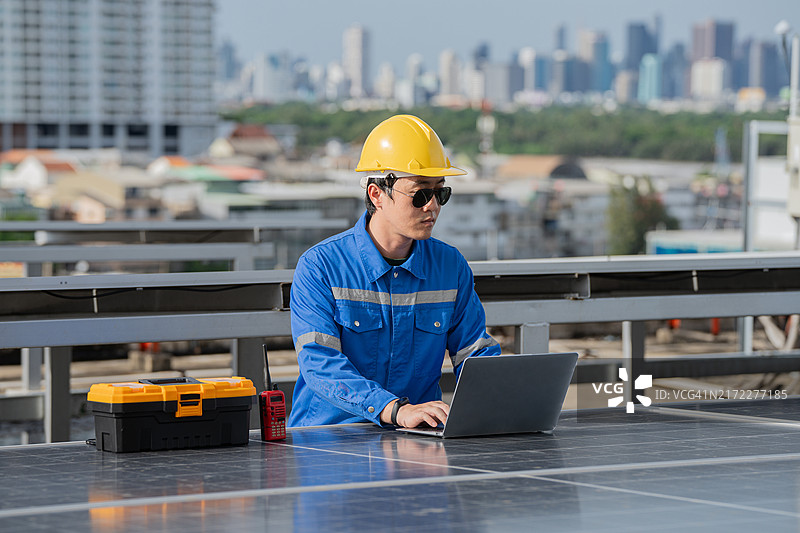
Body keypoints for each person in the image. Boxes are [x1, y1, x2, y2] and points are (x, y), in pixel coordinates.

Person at [288, 114, 500, 429]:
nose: (433, 206)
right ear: (377, 195)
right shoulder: (321, 267)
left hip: (415, 439)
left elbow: (474, 354)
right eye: (420, 194)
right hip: (330, 440)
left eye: (440, 193)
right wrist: (395, 410)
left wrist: (510, 396)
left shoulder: (450, 267)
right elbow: (320, 366)